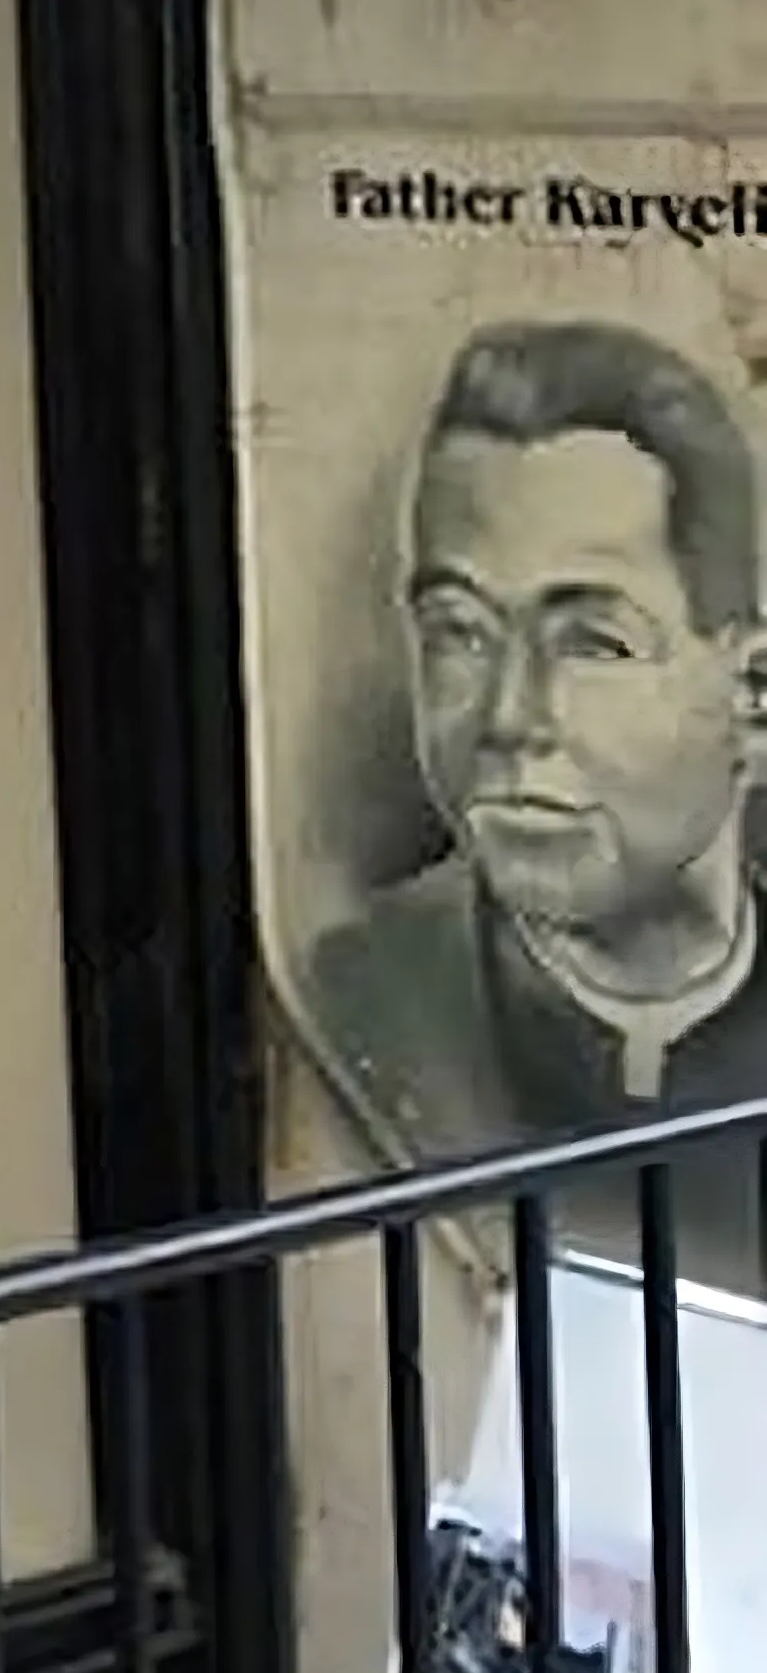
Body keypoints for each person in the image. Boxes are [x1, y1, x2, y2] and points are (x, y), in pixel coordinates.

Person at [303, 319, 767, 1282]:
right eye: (461, 632)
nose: (510, 717)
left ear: (752, 695)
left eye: (592, 641)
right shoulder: (348, 1006)